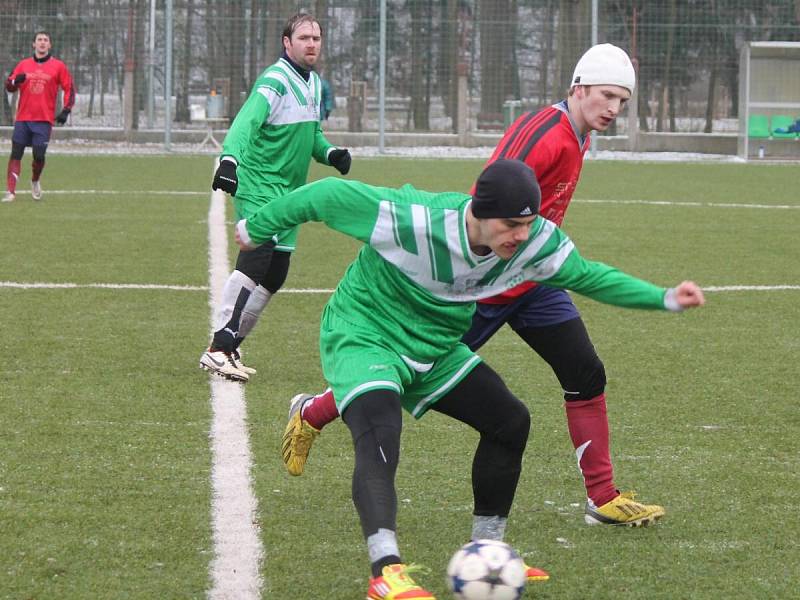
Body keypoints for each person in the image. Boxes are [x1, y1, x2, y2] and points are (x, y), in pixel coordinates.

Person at [234, 159, 705, 598]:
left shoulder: (536, 241)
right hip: (365, 332)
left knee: (510, 421)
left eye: (527, 223)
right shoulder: (412, 220)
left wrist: (663, 297)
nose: (521, 235)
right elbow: (326, 194)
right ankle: (385, 573)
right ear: (479, 213)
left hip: (435, 345)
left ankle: (488, 552)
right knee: (381, 430)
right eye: (511, 224)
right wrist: (254, 228)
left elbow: (589, 276)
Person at [283, 44, 668, 528]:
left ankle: (602, 496)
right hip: (480, 285)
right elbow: (492, 194)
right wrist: (476, 267)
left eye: (622, 101)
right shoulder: (544, 136)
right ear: (578, 88)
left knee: (585, 372)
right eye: (607, 95)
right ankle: (313, 413)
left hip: (531, 282)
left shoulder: (580, 133)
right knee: (404, 364)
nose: (613, 108)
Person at [200, 12, 352, 382]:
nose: (311, 44)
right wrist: (230, 161)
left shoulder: (315, 84)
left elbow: (311, 135)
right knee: (257, 258)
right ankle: (218, 347)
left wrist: (330, 153)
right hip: (259, 185)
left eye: (316, 38)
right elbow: (245, 122)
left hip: (289, 192)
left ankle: (232, 341)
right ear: (287, 42)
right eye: (304, 38)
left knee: (276, 272)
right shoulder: (275, 80)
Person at [3, 31, 75, 203]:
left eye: (45, 40)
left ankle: (35, 180)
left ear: (50, 45)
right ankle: (11, 192)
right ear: (33, 44)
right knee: (16, 153)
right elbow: (9, 85)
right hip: (23, 119)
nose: (42, 43)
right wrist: (14, 81)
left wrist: (66, 110)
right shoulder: (23, 65)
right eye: (39, 40)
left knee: (39, 155)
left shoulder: (58, 66)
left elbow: (69, 88)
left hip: (43, 120)